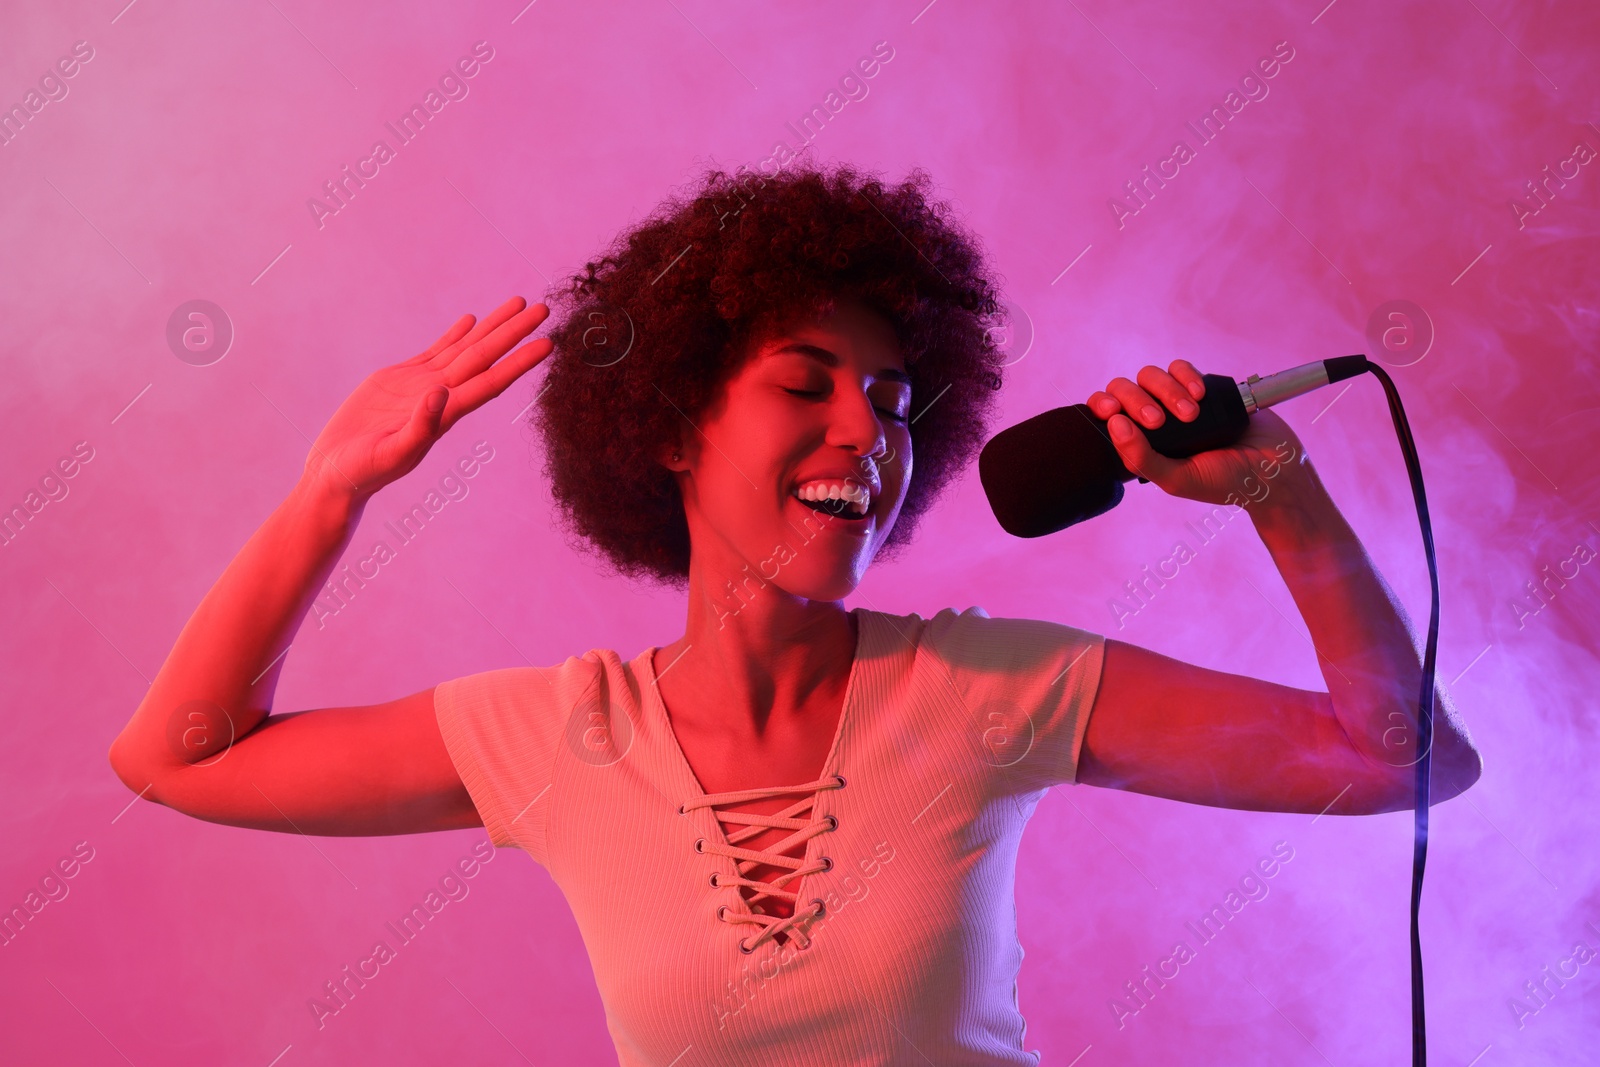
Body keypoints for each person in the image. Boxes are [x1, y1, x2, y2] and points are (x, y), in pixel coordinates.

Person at [108, 161, 1481, 1064]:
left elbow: (1400, 760)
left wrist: (1280, 493)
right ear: (669, 430)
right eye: (804, 382)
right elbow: (180, 755)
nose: (862, 434)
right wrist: (331, 488)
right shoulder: (559, 732)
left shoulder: (990, 686)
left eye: (892, 404)